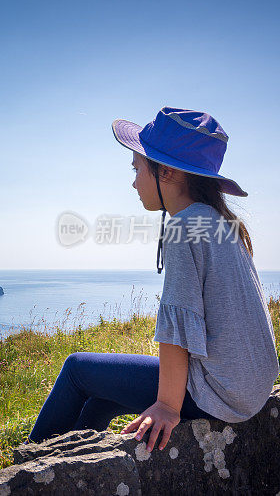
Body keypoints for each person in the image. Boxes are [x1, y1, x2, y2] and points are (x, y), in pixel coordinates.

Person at [26, 107, 279, 454]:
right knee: (99, 398)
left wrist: (167, 407)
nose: (133, 181)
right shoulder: (222, 223)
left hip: (217, 394)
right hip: (247, 389)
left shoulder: (183, 227)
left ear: (168, 171)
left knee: (76, 369)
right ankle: (61, 465)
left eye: (137, 168)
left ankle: (27, 469)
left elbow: (179, 327)